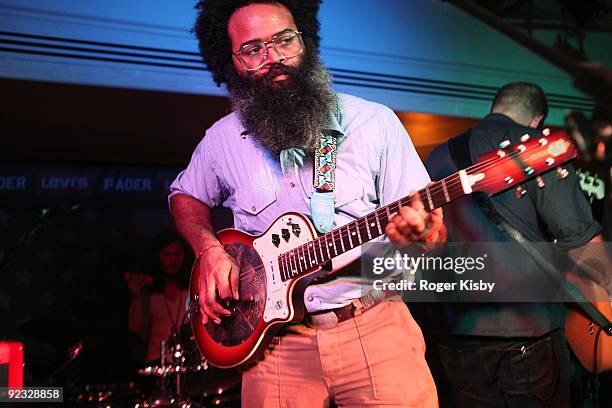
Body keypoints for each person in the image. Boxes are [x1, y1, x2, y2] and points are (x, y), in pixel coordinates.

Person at [168, 1, 445, 406]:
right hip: (274, 348)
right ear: (232, 61)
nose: (273, 58)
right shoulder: (222, 139)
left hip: (373, 326)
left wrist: (422, 235)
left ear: (305, 40)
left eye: (284, 40)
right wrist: (209, 251)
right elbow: (184, 196)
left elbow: (434, 234)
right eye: (253, 49)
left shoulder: (374, 122)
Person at [425, 82, 605, 407]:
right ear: (535, 120)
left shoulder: (437, 156)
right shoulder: (537, 147)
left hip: (454, 334)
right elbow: (579, 238)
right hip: (526, 332)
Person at [125, 230, 193, 362]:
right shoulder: (147, 293)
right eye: (167, 254)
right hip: (155, 361)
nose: (173, 260)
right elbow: (136, 332)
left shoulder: (191, 289)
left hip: (187, 363)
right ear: (158, 257)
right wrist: (137, 298)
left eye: (177, 254)